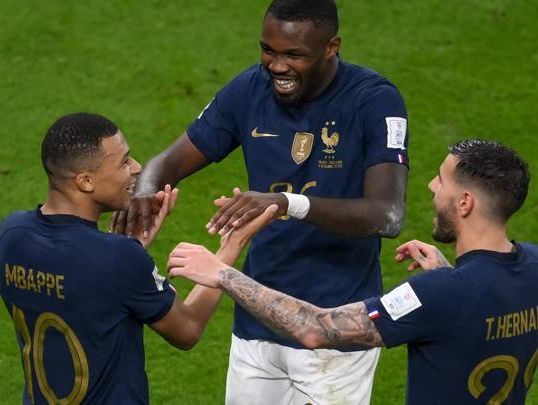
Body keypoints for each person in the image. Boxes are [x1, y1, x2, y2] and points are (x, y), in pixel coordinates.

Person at [118, 0, 409, 403]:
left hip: (335, 331)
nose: (276, 65)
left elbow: (387, 215)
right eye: (268, 50)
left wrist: (288, 204)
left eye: (294, 54)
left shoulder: (374, 100)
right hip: (257, 320)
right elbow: (168, 162)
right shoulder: (249, 89)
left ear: (332, 46)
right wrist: (144, 194)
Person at [169, 139, 538, 404]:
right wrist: (452, 283)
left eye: (442, 180)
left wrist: (222, 272)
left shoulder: (440, 293)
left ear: (464, 203)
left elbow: (318, 329)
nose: (431, 186)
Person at [0, 113, 268, 404]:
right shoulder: (116, 258)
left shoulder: (11, 234)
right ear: (86, 181)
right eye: (124, 162)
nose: (137, 168)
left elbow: (80, 292)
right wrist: (231, 245)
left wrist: (131, 250)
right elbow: (186, 330)